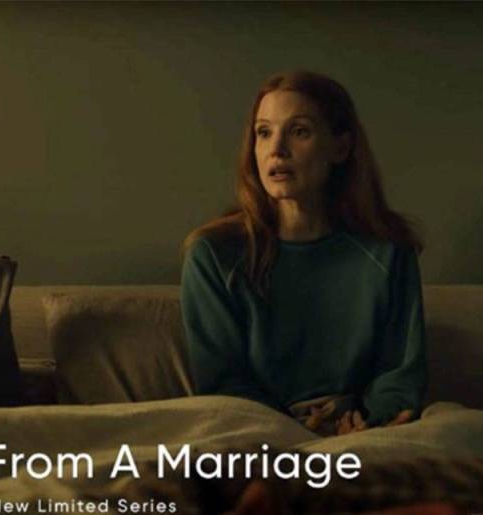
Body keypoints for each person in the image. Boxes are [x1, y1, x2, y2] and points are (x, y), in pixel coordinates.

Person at [181, 70, 425, 435]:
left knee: (469, 428)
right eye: (264, 132)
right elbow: (222, 383)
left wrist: (366, 426)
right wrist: (295, 430)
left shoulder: (388, 252)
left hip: (367, 436)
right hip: (256, 436)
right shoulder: (214, 255)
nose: (276, 149)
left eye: (299, 132)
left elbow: (399, 376)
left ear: (340, 148)